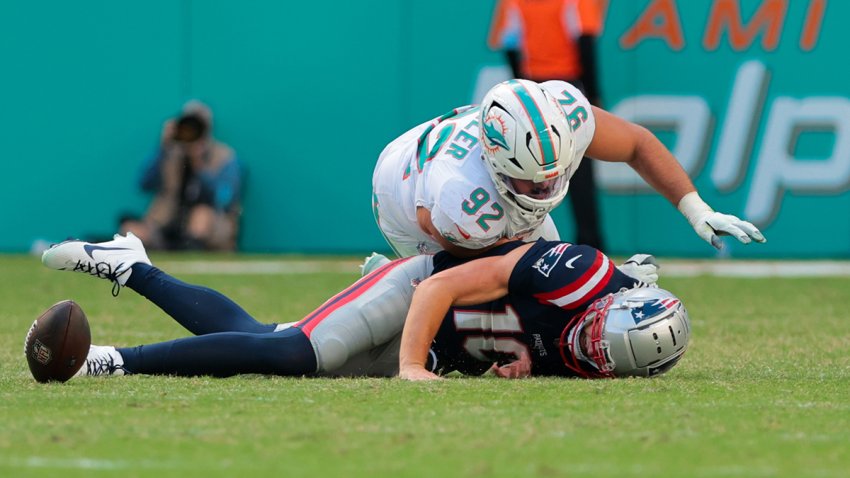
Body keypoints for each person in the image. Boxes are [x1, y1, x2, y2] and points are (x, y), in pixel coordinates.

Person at [34, 232, 687, 381]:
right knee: (296, 352)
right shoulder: (577, 275)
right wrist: (408, 366)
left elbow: (522, 346)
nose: (590, 350)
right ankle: (107, 361)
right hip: (419, 289)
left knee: (271, 345)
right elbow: (441, 289)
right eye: (597, 336)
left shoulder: (599, 359)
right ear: (610, 305)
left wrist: (504, 364)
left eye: (605, 359)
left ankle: (133, 265)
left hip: (444, 344)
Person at [365, 78, 765, 274]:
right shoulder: (459, 195)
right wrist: (609, 279)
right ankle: (390, 279)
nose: (545, 189)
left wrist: (696, 210)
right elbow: (502, 273)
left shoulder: (568, 115)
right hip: (404, 193)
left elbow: (637, 144)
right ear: (497, 166)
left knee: (548, 274)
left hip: (465, 184)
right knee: (474, 311)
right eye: (533, 182)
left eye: (553, 176)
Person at [488, 0, 607, 250]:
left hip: (532, 89)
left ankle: (519, 242)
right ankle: (590, 243)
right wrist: (594, 94)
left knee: (524, 169)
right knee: (580, 169)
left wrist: (520, 87)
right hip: (566, 88)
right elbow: (584, 41)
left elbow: (510, 45)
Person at [120, 100, 243, 252]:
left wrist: (198, 164)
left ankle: (192, 249)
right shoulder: (170, 154)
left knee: (201, 215)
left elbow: (224, 197)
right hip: (167, 222)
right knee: (131, 229)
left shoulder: (225, 156)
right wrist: (162, 148)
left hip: (207, 228)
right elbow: (143, 184)